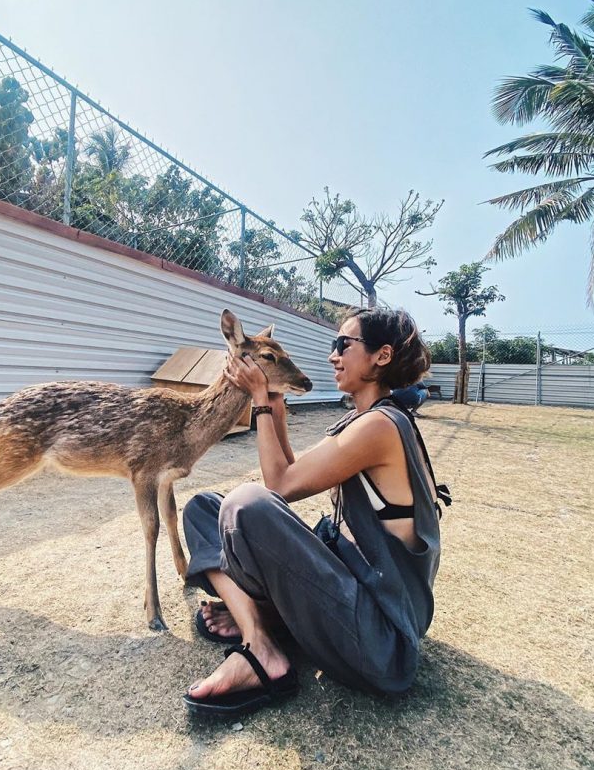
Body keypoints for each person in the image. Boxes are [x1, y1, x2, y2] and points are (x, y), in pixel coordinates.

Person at [181, 307, 446, 718]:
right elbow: (290, 481)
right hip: (351, 597)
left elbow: (278, 487)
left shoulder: (379, 427)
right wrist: (275, 408)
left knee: (246, 503)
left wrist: (259, 403)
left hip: (381, 641)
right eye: (333, 345)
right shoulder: (363, 421)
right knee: (204, 509)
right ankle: (262, 625)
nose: (332, 355)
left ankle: (261, 642)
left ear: (382, 356)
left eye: (344, 344)